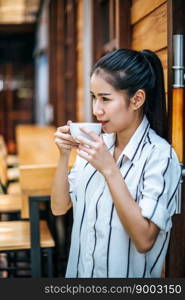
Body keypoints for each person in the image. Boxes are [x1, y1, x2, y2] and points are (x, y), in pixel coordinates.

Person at [51, 49, 181, 278]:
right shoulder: (96, 144)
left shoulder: (160, 156)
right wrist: (63, 156)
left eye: (105, 99)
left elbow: (144, 240)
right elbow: (59, 207)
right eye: (93, 97)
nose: (96, 110)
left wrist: (109, 169)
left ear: (137, 99)